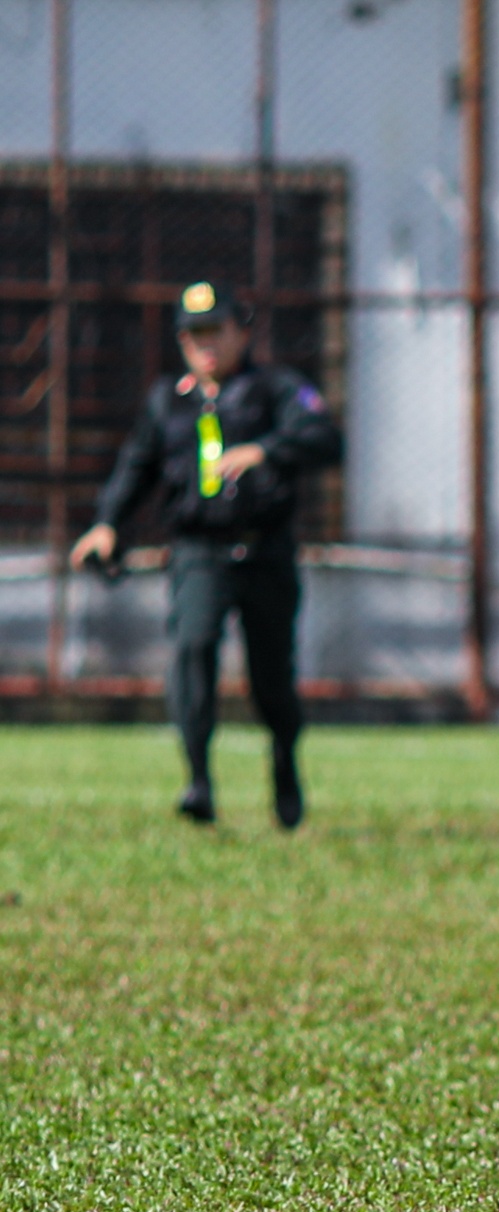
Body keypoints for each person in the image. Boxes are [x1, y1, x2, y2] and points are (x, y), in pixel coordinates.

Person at [69, 281, 342, 829]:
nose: (205, 344)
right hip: (200, 550)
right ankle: (198, 781)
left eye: (215, 331)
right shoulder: (168, 400)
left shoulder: (273, 389)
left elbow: (324, 439)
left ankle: (284, 764)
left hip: (265, 551)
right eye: (194, 335)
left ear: (241, 330)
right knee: (192, 651)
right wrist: (106, 525)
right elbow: (136, 467)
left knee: (272, 677)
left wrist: (265, 450)